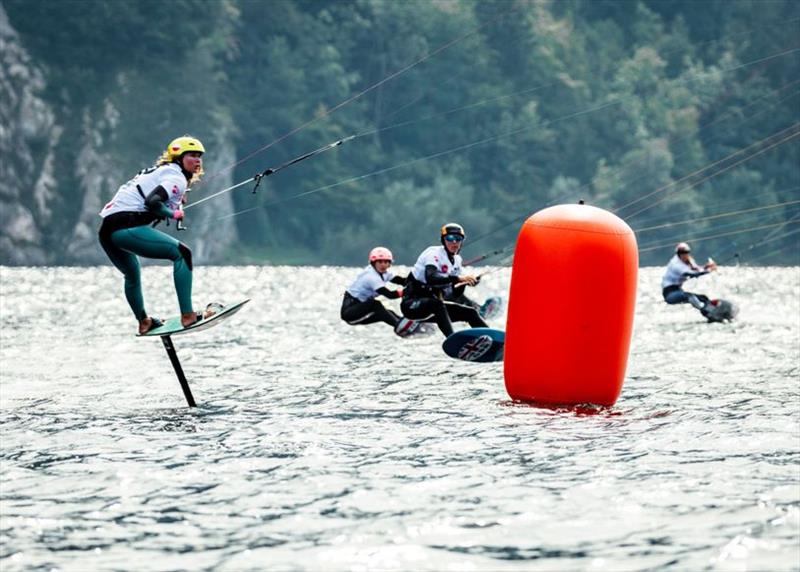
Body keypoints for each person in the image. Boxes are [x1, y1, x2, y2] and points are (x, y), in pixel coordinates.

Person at [98, 135, 208, 335]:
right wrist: (172, 213)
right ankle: (188, 315)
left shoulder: (162, 172)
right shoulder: (176, 177)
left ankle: (144, 322)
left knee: (132, 274)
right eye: (192, 155)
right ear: (179, 158)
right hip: (125, 227)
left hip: (107, 230)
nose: (198, 160)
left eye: (199, 156)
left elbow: (148, 200)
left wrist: (170, 205)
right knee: (182, 254)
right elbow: (152, 202)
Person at [401, 223, 488, 337]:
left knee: (470, 312)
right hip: (411, 305)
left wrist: (464, 283)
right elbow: (431, 277)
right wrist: (458, 278)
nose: (454, 242)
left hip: (434, 308)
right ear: (443, 240)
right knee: (437, 304)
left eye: (458, 239)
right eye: (450, 239)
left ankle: (495, 341)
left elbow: (454, 294)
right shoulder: (433, 253)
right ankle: (453, 339)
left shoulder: (457, 261)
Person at [341, 247, 413, 333]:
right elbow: (390, 295)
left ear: (389, 264)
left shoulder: (384, 273)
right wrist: (408, 291)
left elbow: (401, 281)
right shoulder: (371, 277)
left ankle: (409, 324)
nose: (383, 265)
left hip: (359, 308)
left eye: (386, 262)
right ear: (373, 263)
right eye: (380, 262)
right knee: (375, 304)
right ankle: (402, 328)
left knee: (387, 313)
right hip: (350, 314)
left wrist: (416, 282)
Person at [661, 242, 718, 316]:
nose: (684, 254)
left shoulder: (688, 261)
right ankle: (706, 311)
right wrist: (709, 270)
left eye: (686, 252)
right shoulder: (676, 264)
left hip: (678, 291)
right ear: (678, 254)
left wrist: (706, 266)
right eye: (681, 253)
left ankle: (713, 311)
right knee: (690, 297)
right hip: (670, 294)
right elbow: (691, 274)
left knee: (704, 298)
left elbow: (697, 270)